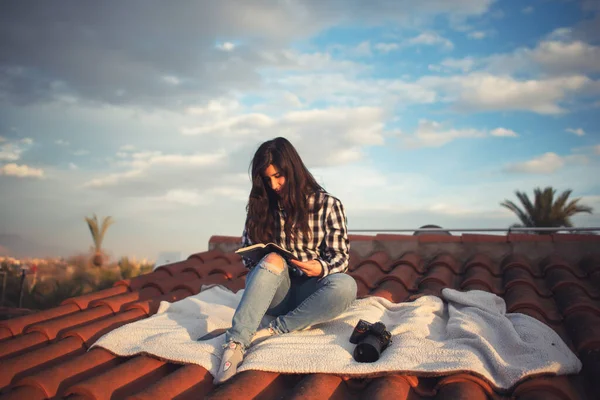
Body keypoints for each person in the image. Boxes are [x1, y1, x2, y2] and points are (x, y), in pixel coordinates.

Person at [214, 137, 357, 384]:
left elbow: (341, 258)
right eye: (267, 179)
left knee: (346, 286)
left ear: (293, 169)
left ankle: (274, 330)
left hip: (312, 294)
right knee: (272, 258)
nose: (274, 184)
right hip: (274, 293)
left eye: (279, 176)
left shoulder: (328, 205)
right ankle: (236, 343)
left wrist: (319, 267)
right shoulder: (260, 206)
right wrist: (262, 258)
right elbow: (248, 257)